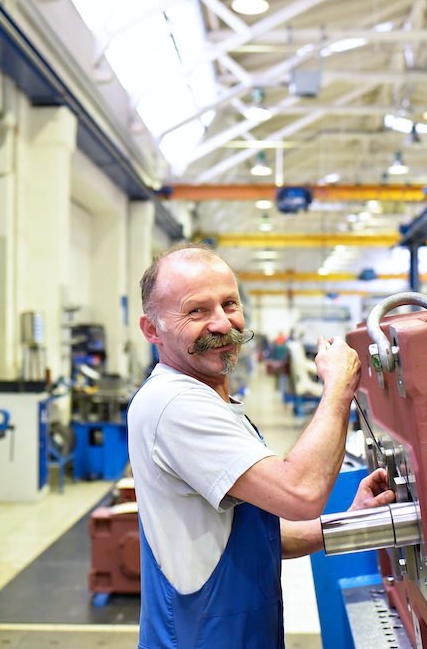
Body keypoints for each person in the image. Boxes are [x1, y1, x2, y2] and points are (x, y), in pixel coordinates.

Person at [128, 242, 395, 648]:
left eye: (229, 304)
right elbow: (301, 493)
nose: (222, 323)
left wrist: (348, 520)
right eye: (196, 310)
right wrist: (339, 387)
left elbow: (256, 538)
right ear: (152, 331)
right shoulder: (176, 404)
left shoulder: (209, 400)